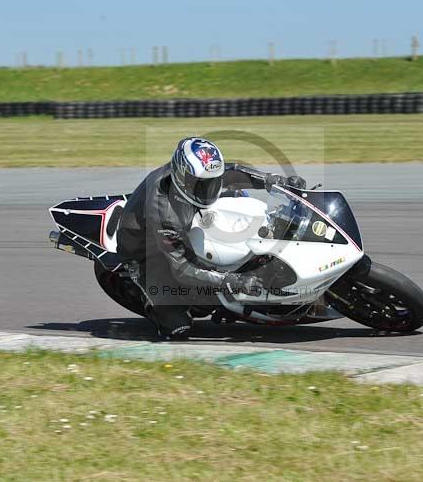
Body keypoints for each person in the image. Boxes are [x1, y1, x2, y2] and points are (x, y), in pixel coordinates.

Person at [115, 136, 306, 340]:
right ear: (182, 178)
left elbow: (231, 172)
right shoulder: (164, 213)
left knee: (240, 210)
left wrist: (274, 181)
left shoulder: (192, 176)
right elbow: (183, 268)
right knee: (178, 328)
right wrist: (231, 280)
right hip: (147, 253)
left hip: (184, 223)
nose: (209, 190)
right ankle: (154, 304)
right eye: (201, 185)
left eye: (212, 183)